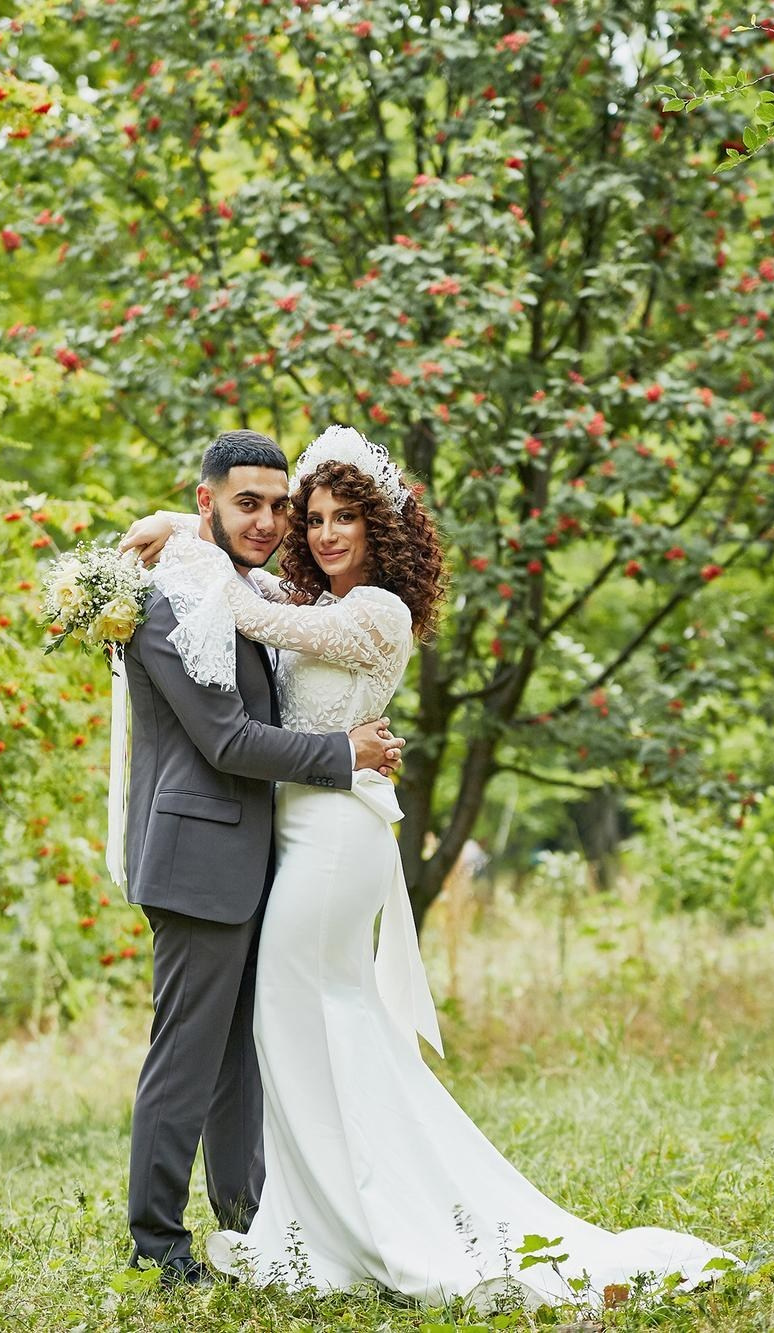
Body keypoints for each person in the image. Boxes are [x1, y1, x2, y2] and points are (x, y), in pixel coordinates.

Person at [118, 424, 733, 1310]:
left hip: (329, 841)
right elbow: (224, 718)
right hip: (267, 842)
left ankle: (317, 1220)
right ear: (218, 500)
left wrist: (186, 531)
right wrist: (185, 526)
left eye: (330, 516)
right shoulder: (236, 593)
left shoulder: (368, 610)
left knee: (297, 1026)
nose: (317, 531)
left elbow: (250, 613)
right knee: (270, 1036)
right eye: (308, 516)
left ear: (379, 530)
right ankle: (249, 1225)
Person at [119, 430, 405, 1288]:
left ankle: (247, 1219)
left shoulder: (240, 586)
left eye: (281, 504)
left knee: (239, 1057)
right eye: (250, 502)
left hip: (259, 855)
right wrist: (344, 754)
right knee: (188, 1054)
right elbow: (226, 739)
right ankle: (157, 1243)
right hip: (197, 856)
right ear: (207, 501)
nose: (272, 520)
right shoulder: (171, 601)